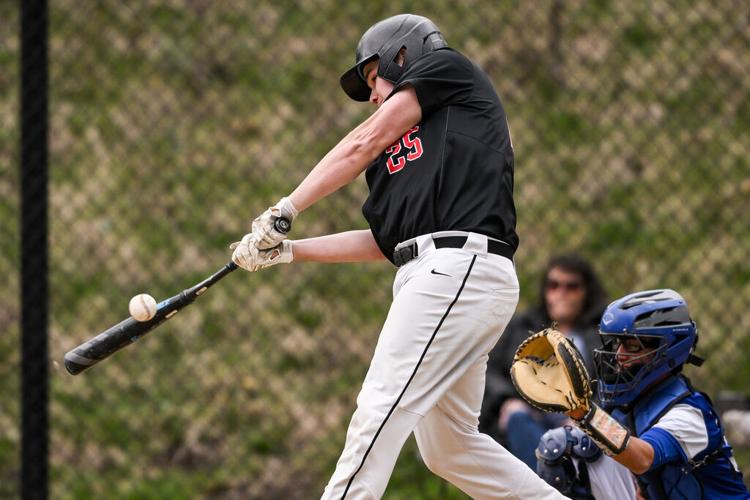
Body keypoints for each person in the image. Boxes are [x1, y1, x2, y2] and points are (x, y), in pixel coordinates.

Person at [230, 13, 564, 500]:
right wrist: (287, 251)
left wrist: (287, 208)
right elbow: (384, 242)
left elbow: (360, 142)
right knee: (449, 448)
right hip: (442, 275)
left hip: (457, 269)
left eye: (373, 77)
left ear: (402, 56)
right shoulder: (399, 157)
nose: (371, 96)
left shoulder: (450, 71)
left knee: (379, 408)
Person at [568, 289, 750, 499]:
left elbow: (642, 458)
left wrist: (583, 412)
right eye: (619, 343)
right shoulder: (634, 402)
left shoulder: (689, 414)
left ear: (666, 351)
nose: (619, 356)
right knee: (565, 449)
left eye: (633, 346)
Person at [480, 253, 608, 468]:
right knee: (517, 418)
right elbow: (489, 370)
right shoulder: (522, 326)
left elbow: (610, 382)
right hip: (528, 416)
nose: (561, 294)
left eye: (571, 287)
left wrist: (585, 416)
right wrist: (507, 401)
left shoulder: (601, 334)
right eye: (553, 285)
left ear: (586, 293)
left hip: (581, 420)